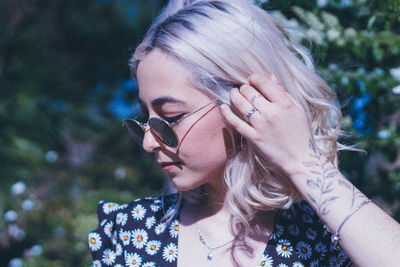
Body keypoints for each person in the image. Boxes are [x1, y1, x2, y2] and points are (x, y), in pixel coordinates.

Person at [88, 0, 400, 266]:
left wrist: (302, 160)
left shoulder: (323, 236)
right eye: (145, 119)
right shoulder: (130, 232)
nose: (147, 141)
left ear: (246, 101)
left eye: (170, 116)